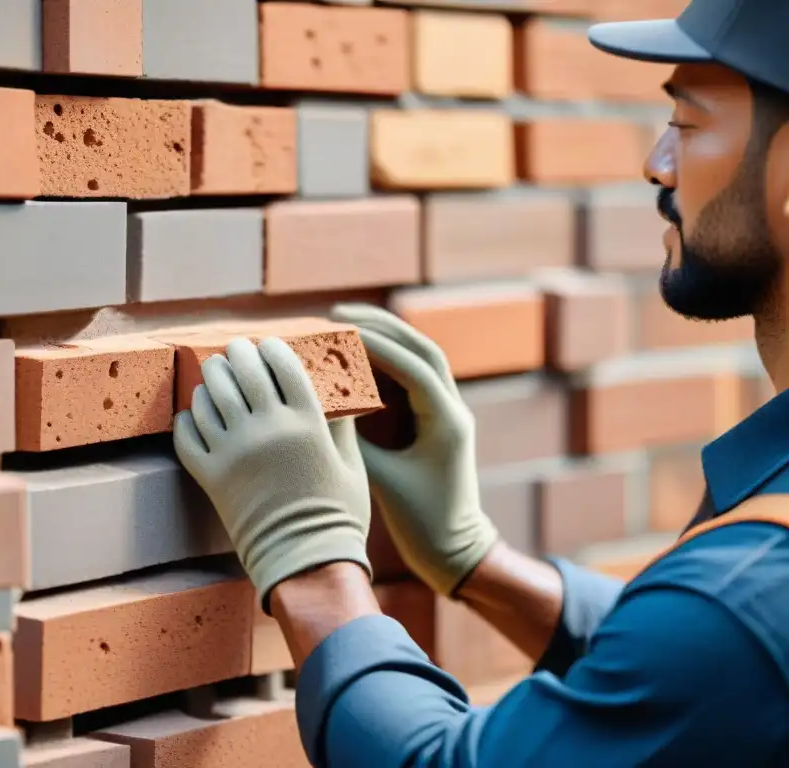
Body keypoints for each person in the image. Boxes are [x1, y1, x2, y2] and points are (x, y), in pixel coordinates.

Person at [172, 0, 789, 764]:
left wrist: (313, 565)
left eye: (689, 126)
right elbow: (707, 687)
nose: (657, 164)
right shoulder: (744, 609)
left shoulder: (748, 595)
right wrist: (478, 563)